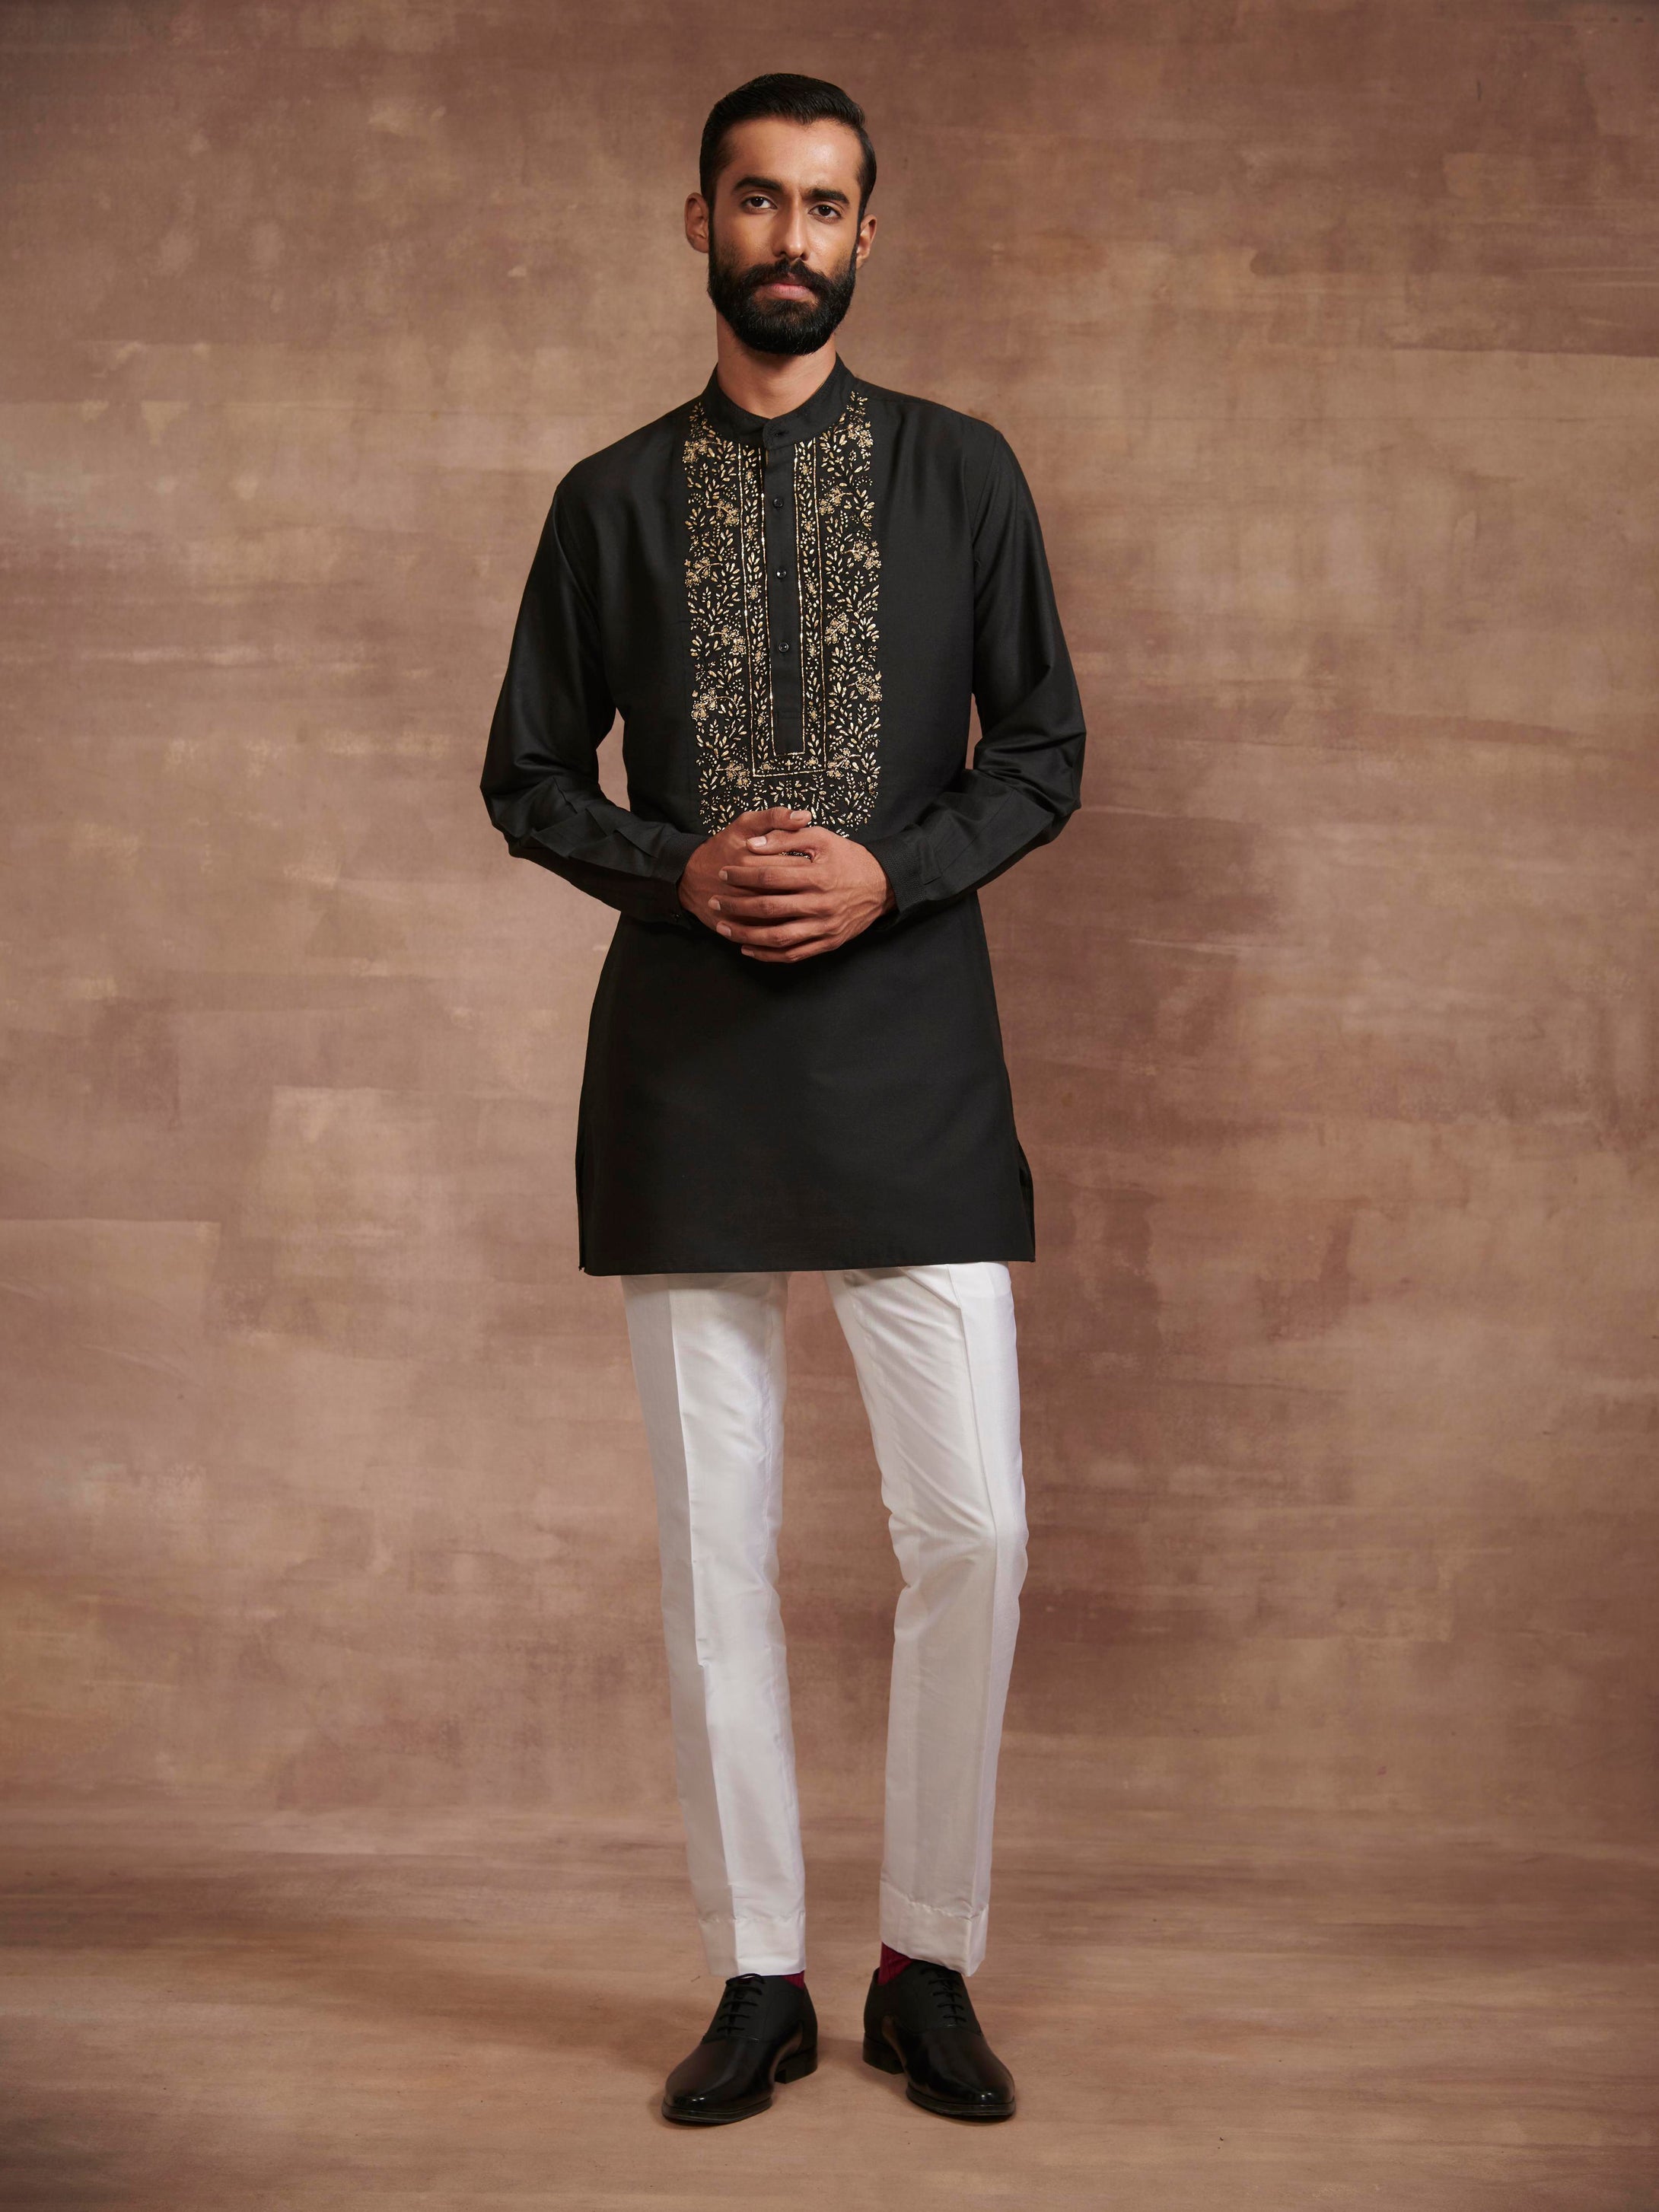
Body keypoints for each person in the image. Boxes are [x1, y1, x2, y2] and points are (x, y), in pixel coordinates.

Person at [480, 71, 1085, 2127]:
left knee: (975, 1528)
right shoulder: (608, 499)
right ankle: (757, 1970)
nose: (790, 238)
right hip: (691, 1077)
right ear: (699, 223)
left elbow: (1042, 752)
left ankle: (926, 1959)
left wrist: (887, 873)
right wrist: (679, 871)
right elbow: (527, 774)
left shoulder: (961, 473)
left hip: (914, 1060)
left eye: (825, 206)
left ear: (866, 235)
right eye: (757, 200)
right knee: (711, 1553)